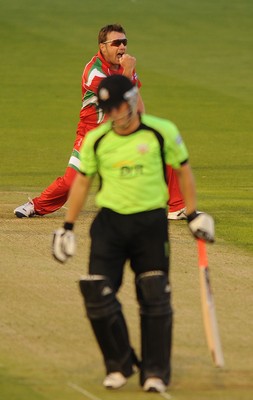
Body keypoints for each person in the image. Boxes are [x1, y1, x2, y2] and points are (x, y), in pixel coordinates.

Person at [52, 75, 215, 393]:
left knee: (154, 296)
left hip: (150, 226)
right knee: (96, 293)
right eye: (106, 108)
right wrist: (67, 227)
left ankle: (155, 372)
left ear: (131, 100)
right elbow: (83, 182)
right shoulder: (97, 139)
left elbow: (183, 170)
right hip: (110, 225)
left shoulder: (160, 131)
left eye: (116, 106)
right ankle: (119, 364)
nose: (112, 114)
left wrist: (193, 215)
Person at [13, 23, 186, 220]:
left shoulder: (126, 67)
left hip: (121, 130)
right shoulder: (95, 71)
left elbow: (135, 99)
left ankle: (176, 207)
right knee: (72, 182)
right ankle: (36, 205)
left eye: (124, 42)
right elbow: (118, 96)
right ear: (102, 46)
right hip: (93, 134)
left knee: (162, 147)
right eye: (116, 43)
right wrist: (128, 70)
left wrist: (142, 125)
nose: (122, 47)